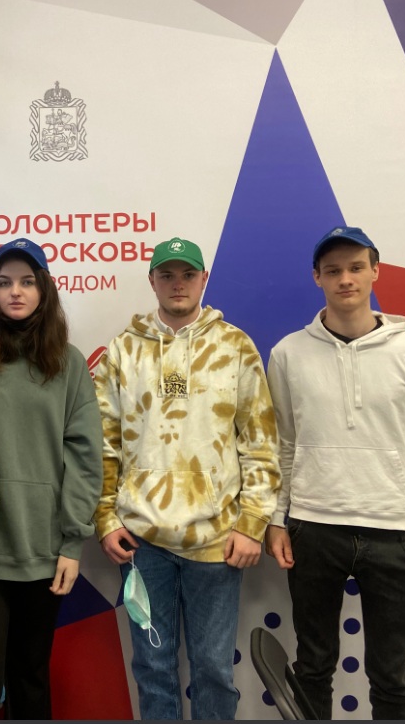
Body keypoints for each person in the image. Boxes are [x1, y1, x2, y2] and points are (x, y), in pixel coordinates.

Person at [265, 226, 405, 720]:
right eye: (333, 270)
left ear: (376, 271)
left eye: (356, 267)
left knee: (391, 676)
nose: (345, 279)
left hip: (392, 532)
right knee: (312, 669)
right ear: (317, 278)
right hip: (313, 528)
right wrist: (276, 518)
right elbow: (283, 445)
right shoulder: (288, 354)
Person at [93, 237, 281, 720]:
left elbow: (260, 441)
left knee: (214, 669)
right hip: (141, 542)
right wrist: (105, 518)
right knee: (153, 667)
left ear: (204, 279)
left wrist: (252, 523)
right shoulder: (123, 351)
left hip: (216, 541)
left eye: (188, 275)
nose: (178, 284)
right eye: (167, 275)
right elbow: (102, 442)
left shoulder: (235, 346)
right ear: (152, 281)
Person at [0, 238, 103, 720]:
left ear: (44, 289)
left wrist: (72, 543)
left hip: (43, 550)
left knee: (29, 680)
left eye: (27, 281)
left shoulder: (68, 362)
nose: (15, 291)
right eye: (5, 282)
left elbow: (85, 457)